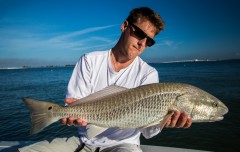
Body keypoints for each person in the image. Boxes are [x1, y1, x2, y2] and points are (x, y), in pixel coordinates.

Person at [18, 7, 192, 152]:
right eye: (139, 33)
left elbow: (147, 130)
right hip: (84, 140)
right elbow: (75, 103)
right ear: (124, 26)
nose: (142, 43)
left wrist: (166, 121)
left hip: (124, 144)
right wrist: (68, 113)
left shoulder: (148, 73)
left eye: (149, 42)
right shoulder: (90, 60)